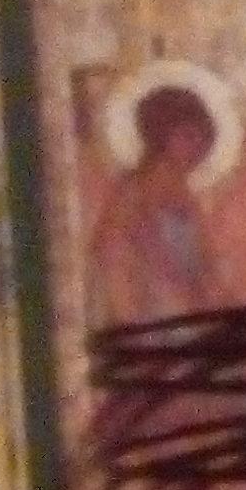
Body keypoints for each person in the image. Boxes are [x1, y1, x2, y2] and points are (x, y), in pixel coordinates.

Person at [87, 82, 219, 324]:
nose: (197, 147)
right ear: (161, 136)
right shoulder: (131, 196)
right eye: (188, 136)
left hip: (192, 315)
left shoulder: (188, 197)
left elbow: (206, 266)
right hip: (148, 319)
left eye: (203, 137)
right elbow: (113, 263)